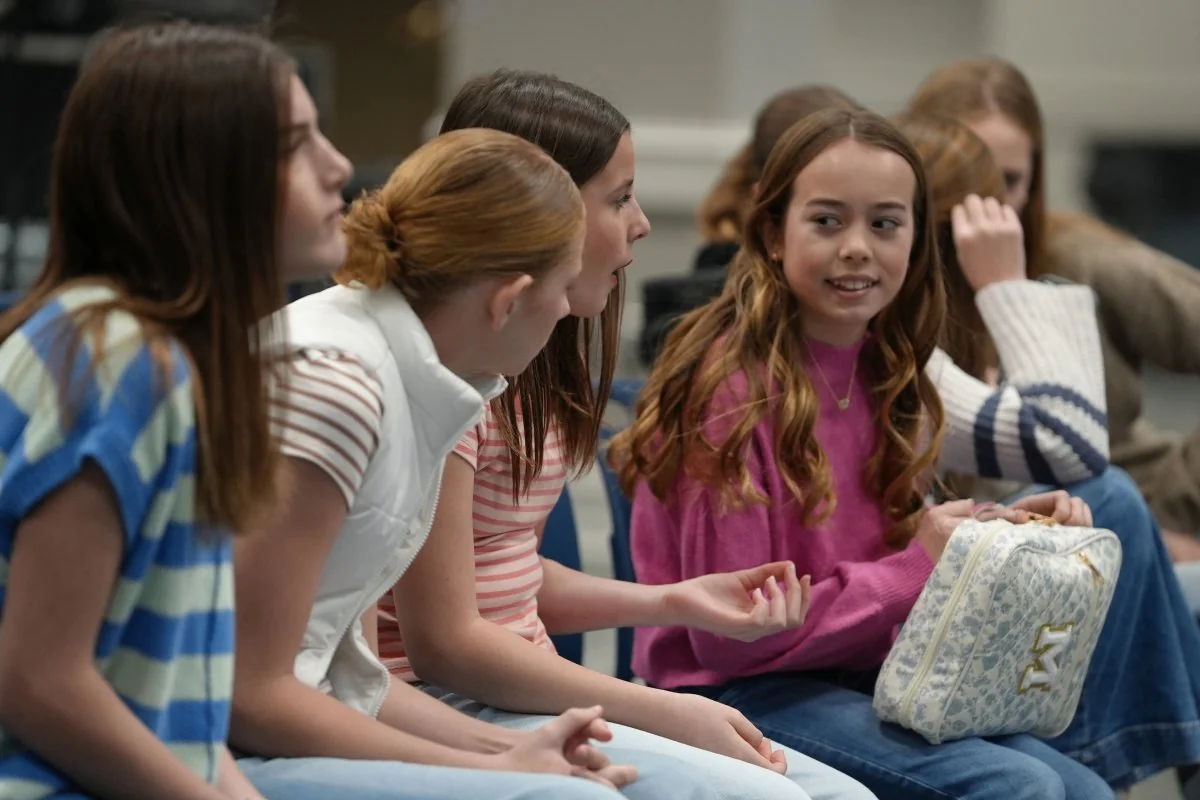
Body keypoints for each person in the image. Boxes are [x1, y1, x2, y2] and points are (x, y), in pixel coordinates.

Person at [373, 69, 875, 800]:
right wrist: (664, 708)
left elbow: (500, 574)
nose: (642, 223)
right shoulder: (455, 377)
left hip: (518, 690)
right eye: (619, 198)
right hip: (442, 704)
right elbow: (447, 643)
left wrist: (672, 600)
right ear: (534, 208)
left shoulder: (524, 363)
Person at [612, 107, 1122, 799]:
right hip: (740, 691)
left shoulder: (887, 365)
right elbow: (730, 639)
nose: (857, 247)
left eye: (884, 224)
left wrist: (995, 534)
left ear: (915, 238)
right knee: (1017, 787)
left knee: (1084, 790)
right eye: (827, 221)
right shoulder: (731, 390)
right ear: (771, 232)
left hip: (858, 676)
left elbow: (888, 555)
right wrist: (923, 562)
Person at [229, 124, 712, 800]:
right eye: (563, 286)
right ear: (509, 300)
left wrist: (516, 750)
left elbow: (350, 677)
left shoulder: (411, 374)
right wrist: (493, 767)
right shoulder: (337, 386)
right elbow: (247, 695)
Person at [0, 21, 344, 800]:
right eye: (296, 145)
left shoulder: (168, 360)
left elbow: (178, 710)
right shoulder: (115, 360)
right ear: (202, 178)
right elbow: (40, 683)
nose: (340, 167)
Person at [909, 57, 1200, 553]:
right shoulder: (894, 274)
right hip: (1000, 531)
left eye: (1010, 180)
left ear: (1036, 179)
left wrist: (1182, 516)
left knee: (1114, 500)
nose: (989, 207)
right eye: (963, 181)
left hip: (1125, 499)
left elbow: (1072, 456)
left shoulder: (1080, 256)